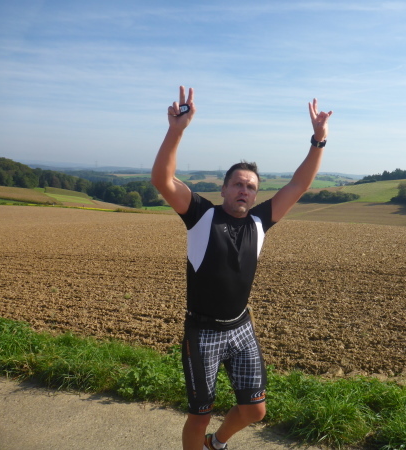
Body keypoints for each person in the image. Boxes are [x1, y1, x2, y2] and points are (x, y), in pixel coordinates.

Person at [151, 86, 332, 450]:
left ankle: (215, 444)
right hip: (202, 332)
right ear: (223, 189)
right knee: (199, 415)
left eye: (250, 187)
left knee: (255, 410)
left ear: (255, 195)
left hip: (241, 327)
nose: (244, 191)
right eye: (237, 184)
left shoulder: (260, 222)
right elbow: (163, 181)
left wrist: (318, 141)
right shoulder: (201, 215)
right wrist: (176, 130)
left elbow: (299, 184)